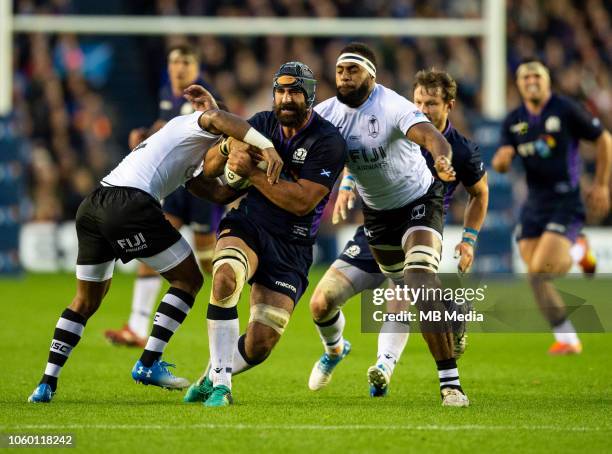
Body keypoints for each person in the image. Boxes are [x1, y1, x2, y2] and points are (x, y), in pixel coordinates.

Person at [27, 86, 284, 403]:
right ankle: (148, 363)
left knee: (85, 300)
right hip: (130, 204)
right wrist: (267, 147)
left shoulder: (187, 151)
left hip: (94, 205)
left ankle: (46, 383)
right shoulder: (188, 124)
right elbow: (219, 119)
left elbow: (214, 193)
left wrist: (250, 183)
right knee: (188, 279)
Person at [307, 68, 488, 399]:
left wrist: (469, 240)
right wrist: (348, 183)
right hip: (377, 225)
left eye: (431, 103)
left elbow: (480, 193)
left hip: (420, 223)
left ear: (449, 104)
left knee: (407, 289)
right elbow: (359, 149)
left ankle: (409, 374)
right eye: (418, 101)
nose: (423, 109)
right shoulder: (397, 124)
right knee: (320, 302)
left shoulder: (460, 150)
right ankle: (338, 349)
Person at [182, 61, 347, 407]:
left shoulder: (329, 142)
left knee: (260, 345)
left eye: (295, 92)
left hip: (293, 246)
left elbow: (302, 202)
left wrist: (254, 175)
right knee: (225, 277)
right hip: (250, 225)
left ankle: (210, 375)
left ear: (310, 97)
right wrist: (228, 149)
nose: (286, 99)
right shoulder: (260, 125)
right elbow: (212, 170)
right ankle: (222, 388)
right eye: (281, 91)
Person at [105, 44, 225, 348]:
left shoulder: (204, 97)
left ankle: (236, 295)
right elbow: (166, 133)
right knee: (152, 246)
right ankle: (136, 326)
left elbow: (217, 132)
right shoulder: (166, 94)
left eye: (186, 61)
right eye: (174, 62)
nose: (179, 67)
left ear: (196, 67)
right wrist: (145, 135)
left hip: (199, 188)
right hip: (174, 187)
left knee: (209, 260)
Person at [492, 59, 611, 355]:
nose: (531, 80)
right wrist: (502, 161)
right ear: (518, 84)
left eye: (537, 75)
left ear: (547, 82)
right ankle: (568, 340)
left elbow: (604, 139)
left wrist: (602, 184)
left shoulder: (565, 109)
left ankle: (577, 249)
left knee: (539, 271)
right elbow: (500, 160)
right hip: (534, 204)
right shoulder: (513, 120)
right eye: (525, 76)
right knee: (535, 277)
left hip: (565, 199)